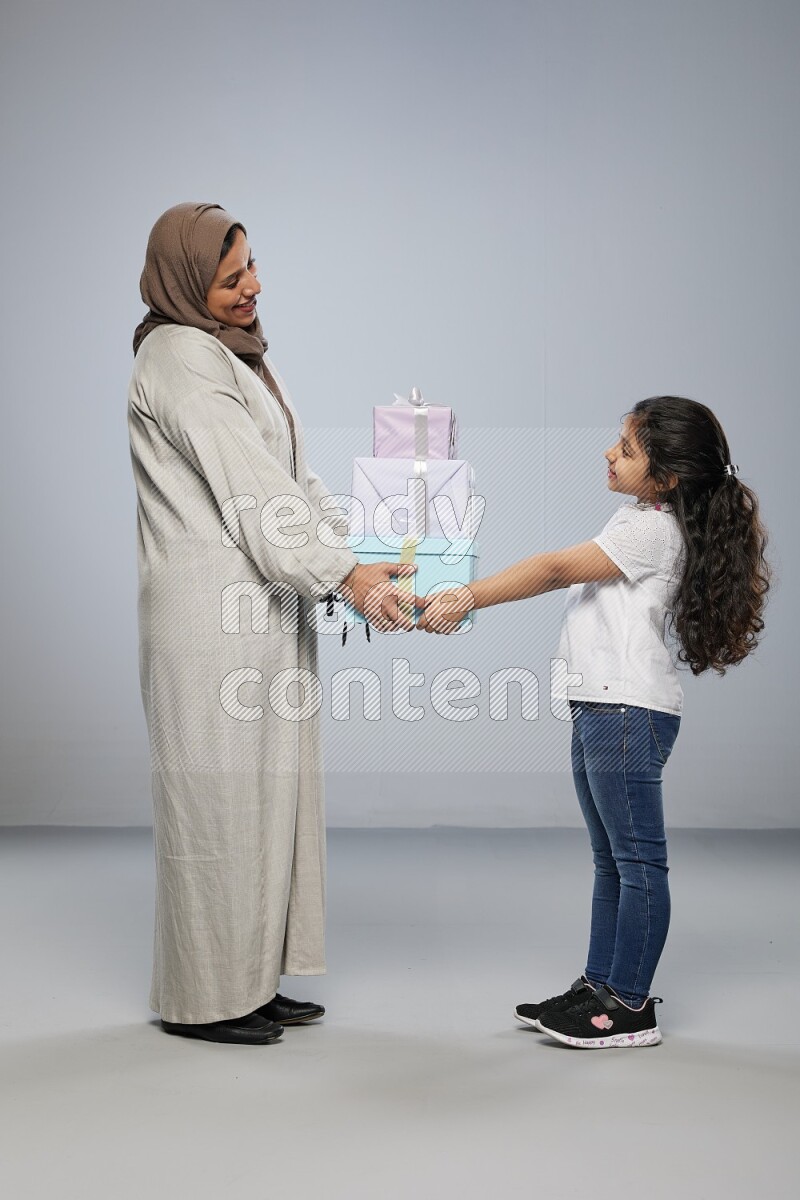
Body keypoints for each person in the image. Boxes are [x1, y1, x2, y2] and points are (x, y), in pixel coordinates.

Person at [128, 202, 418, 1045]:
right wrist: (348, 577)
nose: (251, 286)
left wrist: (359, 556)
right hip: (209, 623)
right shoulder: (180, 356)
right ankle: (205, 998)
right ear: (186, 284)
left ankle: (249, 982)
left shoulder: (234, 354)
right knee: (218, 808)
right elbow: (257, 497)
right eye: (229, 278)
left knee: (267, 802)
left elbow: (293, 476)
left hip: (262, 609)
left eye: (252, 265)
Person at [417, 396, 770, 1048]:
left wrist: (467, 595)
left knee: (637, 862)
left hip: (625, 711)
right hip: (602, 706)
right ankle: (598, 985)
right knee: (612, 861)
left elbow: (552, 569)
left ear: (665, 477)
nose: (611, 452)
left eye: (627, 449)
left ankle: (629, 1006)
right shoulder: (643, 517)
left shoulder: (649, 530)